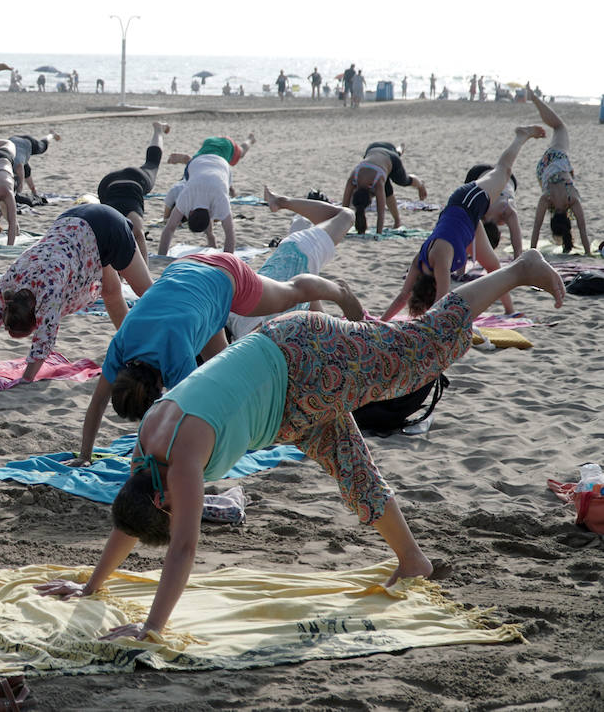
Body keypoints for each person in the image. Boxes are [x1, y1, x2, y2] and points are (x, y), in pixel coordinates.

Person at [35, 250, 566, 638]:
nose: (180, 513)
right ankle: (414, 562)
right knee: (353, 470)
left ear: (162, 497)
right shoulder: (146, 453)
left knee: (418, 348)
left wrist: (150, 629)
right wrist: (91, 586)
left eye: (171, 510)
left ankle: (520, 268)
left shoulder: (181, 458)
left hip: (305, 360)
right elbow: (130, 525)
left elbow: (183, 547)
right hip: (287, 398)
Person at [72, 251, 364, 461]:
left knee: (290, 293)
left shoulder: (176, 361)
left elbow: (193, 416)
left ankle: (337, 290)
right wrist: (85, 455)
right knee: (227, 374)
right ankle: (250, 424)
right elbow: (98, 402)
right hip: (186, 271)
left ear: (160, 389)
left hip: (226, 276)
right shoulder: (121, 345)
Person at [0, 204, 154, 383]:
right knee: (110, 293)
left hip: (108, 227)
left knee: (147, 293)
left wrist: (26, 379)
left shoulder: (48, 295)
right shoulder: (7, 289)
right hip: (72, 221)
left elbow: (43, 341)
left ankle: (174, 326)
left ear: (36, 318)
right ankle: (132, 345)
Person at [382, 125, 543, 320]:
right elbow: (402, 297)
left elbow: (441, 304)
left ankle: (521, 136)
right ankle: (510, 310)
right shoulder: (419, 264)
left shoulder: (439, 263)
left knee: (504, 171)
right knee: (493, 266)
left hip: (466, 202)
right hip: (467, 226)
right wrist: (380, 323)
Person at [227, 187, 354, 338]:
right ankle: (282, 202)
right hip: (290, 258)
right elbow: (310, 299)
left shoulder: (249, 327)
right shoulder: (231, 316)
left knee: (346, 215)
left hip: (299, 251)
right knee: (342, 216)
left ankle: (282, 202)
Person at [523, 89, 590, 254]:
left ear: (568, 221)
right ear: (553, 220)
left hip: (557, 160)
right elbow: (537, 228)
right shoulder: (547, 199)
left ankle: (535, 99)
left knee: (560, 127)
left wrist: (532, 250)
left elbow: (582, 229)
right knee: (558, 127)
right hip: (543, 169)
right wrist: (588, 253)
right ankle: (534, 98)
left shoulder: (572, 198)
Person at [97, 121, 169, 259]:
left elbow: (139, 237)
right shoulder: (118, 226)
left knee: (153, 162)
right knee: (152, 162)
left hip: (126, 183)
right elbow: (139, 237)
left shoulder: (115, 225)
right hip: (108, 185)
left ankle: (158, 130)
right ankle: (158, 130)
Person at [341, 141, 429, 235]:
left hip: (391, 159)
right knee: (387, 190)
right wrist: (343, 229)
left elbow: (381, 212)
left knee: (404, 181)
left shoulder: (377, 182)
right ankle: (399, 149)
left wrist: (379, 233)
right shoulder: (353, 178)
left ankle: (420, 183)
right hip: (373, 148)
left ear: (371, 195)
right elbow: (344, 209)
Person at [464, 163, 522, 258]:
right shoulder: (508, 211)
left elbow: (518, 249)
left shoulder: (507, 212)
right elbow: (518, 249)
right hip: (485, 174)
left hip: (507, 176)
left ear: (499, 233)